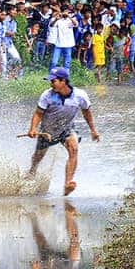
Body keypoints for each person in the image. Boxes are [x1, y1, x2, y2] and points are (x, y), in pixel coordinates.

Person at [25, 66, 100, 196]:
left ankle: (68, 183)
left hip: (67, 128)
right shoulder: (47, 95)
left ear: (63, 81)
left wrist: (93, 130)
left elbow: (87, 112)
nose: (51, 84)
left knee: (74, 149)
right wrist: (33, 128)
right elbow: (38, 113)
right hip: (47, 131)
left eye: (54, 81)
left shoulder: (80, 95)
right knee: (38, 157)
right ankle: (31, 172)